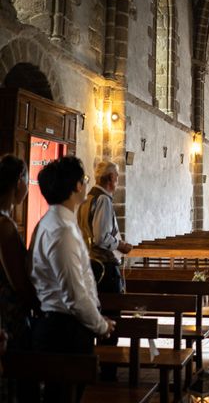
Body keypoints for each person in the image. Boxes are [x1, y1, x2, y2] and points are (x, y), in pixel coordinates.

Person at [29, 156, 115, 402]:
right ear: (77, 186)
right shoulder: (62, 231)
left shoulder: (50, 223)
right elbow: (74, 294)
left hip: (61, 325)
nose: (85, 185)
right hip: (64, 331)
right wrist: (100, 325)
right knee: (64, 397)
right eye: (84, 180)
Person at [77, 160, 131, 380]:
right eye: (117, 178)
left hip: (88, 265)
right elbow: (101, 237)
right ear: (110, 179)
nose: (117, 182)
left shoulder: (86, 199)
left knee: (93, 317)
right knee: (110, 319)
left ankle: (92, 367)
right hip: (104, 270)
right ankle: (108, 372)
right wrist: (121, 245)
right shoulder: (104, 201)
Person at [0, 155, 39, 401]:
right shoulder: (5, 226)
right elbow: (20, 283)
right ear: (19, 183)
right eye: (27, 179)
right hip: (8, 320)